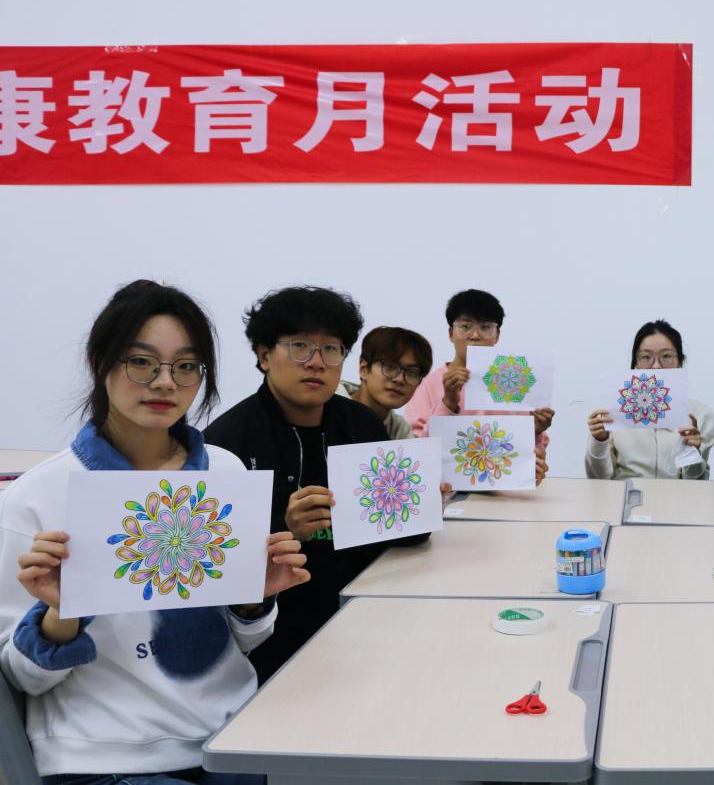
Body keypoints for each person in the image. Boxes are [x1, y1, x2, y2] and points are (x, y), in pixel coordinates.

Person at [0, 280, 308, 783]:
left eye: (186, 366)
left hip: (232, 739)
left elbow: (240, 643)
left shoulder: (224, 474)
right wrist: (62, 610)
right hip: (107, 762)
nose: (165, 382)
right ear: (100, 362)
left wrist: (254, 600)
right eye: (141, 362)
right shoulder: (37, 497)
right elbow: (19, 679)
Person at [203, 286, 419, 681]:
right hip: (273, 643)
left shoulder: (362, 425)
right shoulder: (225, 445)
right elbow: (214, 568)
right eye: (300, 346)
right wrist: (287, 530)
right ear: (264, 356)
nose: (317, 362)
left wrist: (420, 504)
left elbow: (403, 536)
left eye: (331, 349)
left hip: (371, 617)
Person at [402, 289, 554, 448]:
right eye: (465, 326)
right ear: (451, 333)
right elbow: (415, 449)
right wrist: (447, 404)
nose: (475, 335)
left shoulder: (514, 384)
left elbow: (530, 453)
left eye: (485, 327)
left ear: (497, 335)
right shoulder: (426, 385)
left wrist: (535, 430)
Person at [585, 320, 714, 480]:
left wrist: (692, 452)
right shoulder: (612, 412)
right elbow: (599, 478)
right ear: (635, 363)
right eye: (646, 357)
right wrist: (599, 441)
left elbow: (696, 482)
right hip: (625, 494)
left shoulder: (700, 414)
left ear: (680, 361)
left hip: (678, 496)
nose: (656, 366)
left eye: (666, 356)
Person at [334, 326, 432, 439]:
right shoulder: (326, 409)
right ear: (363, 369)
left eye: (412, 372)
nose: (400, 379)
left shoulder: (399, 430)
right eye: (390, 366)